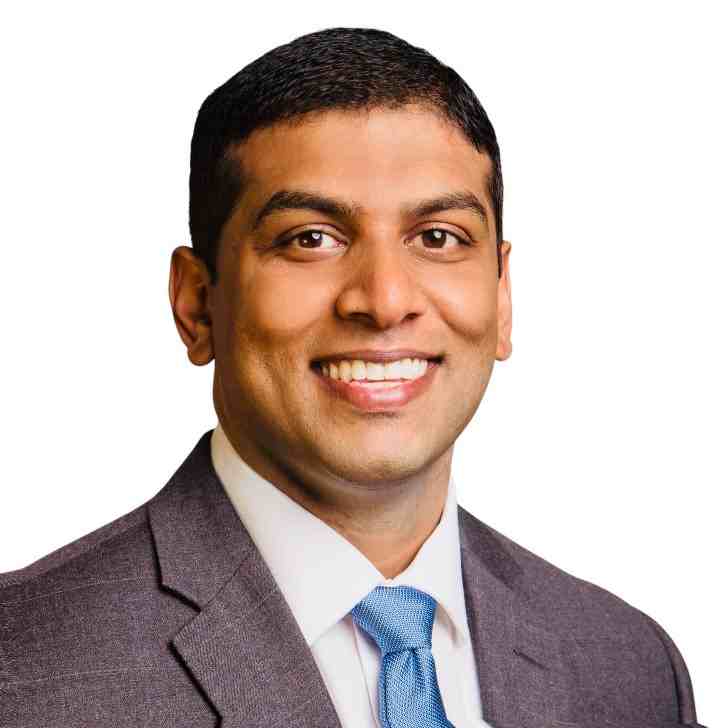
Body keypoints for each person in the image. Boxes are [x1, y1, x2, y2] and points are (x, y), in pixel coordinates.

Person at [0, 26, 706, 728]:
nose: (386, 300)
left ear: (502, 298)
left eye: (438, 237)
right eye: (310, 239)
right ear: (197, 305)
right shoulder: (21, 674)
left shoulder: (630, 669)